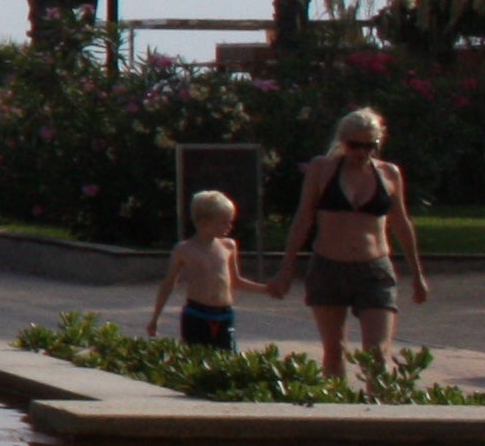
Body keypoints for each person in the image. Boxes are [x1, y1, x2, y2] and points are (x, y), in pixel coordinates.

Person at [275, 106, 428, 383]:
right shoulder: (322, 169)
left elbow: (401, 224)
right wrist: (286, 268)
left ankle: (377, 406)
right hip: (328, 268)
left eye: (370, 145)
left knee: (377, 355)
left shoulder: (389, 173)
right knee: (334, 352)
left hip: (375, 271)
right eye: (355, 145)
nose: (362, 152)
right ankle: (338, 406)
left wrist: (417, 275)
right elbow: (303, 219)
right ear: (343, 141)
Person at [150, 187, 247, 351]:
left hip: (225, 314)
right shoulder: (184, 249)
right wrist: (155, 317)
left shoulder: (228, 246)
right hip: (196, 314)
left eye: (230, 221)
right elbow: (168, 284)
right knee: (195, 357)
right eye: (224, 222)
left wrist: (267, 289)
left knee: (227, 357)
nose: (229, 226)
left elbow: (236, 281)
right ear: (204, 223)